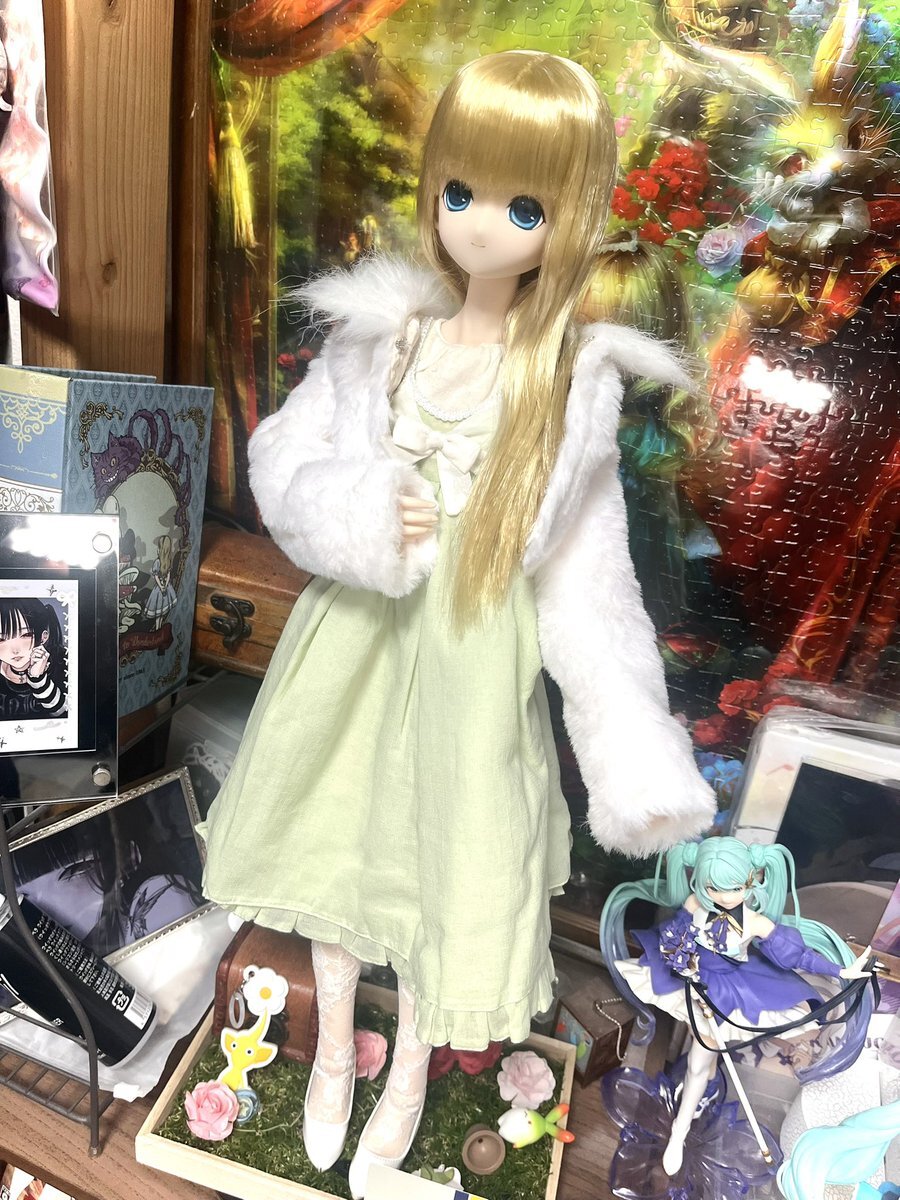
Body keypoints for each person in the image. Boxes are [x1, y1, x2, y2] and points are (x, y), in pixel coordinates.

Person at [200, 50, 715, 1197]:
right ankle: (335, 1047)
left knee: (448, 870)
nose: (482, 226)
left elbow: (591, 588)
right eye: (461, 192)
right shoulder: (379, 338)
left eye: (524, 207)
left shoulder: (569, 387)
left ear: (569, 220)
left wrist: (631, 752)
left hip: (475, 667)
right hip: (356, 646)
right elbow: (283, 462)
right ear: (434, 187)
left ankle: (408, 1077)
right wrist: (357, 509)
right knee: (337, 847)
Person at [600, 837, 875, 1175]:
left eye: (735, 888)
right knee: (703, 1055)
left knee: (700, 1060)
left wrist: (840, 971)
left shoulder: (754, 921)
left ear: (750, 882)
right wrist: (683, 961)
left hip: (730, 991)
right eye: (713, 888)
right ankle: (692, 1106)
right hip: (693, 981)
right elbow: (673, 936)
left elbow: (797, 956)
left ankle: (681, 1128)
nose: (725, 897)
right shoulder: (695, 904)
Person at [0, 597, 66, 721]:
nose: (15, 650)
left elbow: (66, 715)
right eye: (1, 639)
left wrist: (38, 679)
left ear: (43, 636)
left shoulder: (61, 662)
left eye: (26, 635)